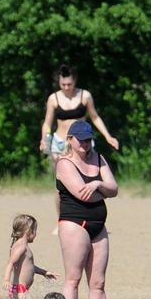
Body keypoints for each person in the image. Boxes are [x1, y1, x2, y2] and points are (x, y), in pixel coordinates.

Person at [40, 65, 119, 231]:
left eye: (69, 84)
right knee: (61, 184)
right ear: (59, 83)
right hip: (61, 143)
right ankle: (61, 220)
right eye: (63, 85)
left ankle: (87, 216)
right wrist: (44, 139)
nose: (67, 88)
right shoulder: (54, 99)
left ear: (74, 81)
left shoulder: (85, 96)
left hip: (84, 142)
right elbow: (48, 123)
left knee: (87, 179)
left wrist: (108, 136)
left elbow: (95, 117)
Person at [56, 121, 118, 299]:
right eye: (80, 139)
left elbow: (114, 189)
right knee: (73, 280)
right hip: (75, 224)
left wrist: (98, 184)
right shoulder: (65, 163)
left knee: (98, 282)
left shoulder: (98, 159)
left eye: (87, 139)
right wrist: (105, 192)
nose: (84, 143)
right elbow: (83, 195)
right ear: (70, 139)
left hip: (99, 226)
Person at [2, 214, 59, 299]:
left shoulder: (20, 246)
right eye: (35, 230)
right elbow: (10, 262)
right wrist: (6, 279)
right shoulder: (21, 247)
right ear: (28, 231)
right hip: (20, 290)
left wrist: (44, 272)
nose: (36, 234)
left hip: (19, 289)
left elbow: (29, 266)